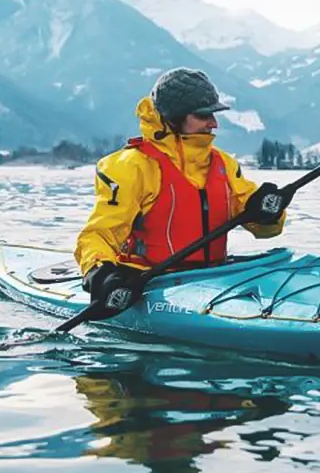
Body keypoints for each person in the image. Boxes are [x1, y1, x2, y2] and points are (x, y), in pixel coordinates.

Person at [74, 67, 288, 318]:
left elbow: (266, 231)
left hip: (214, 279)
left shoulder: (224, 165)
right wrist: (101, 273)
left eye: (213, 114)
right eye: (203, 115)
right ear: (173, 118)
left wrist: (268, 212)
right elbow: (97, 235)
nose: (214, 123)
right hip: (151, 284)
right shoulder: (134, 167)